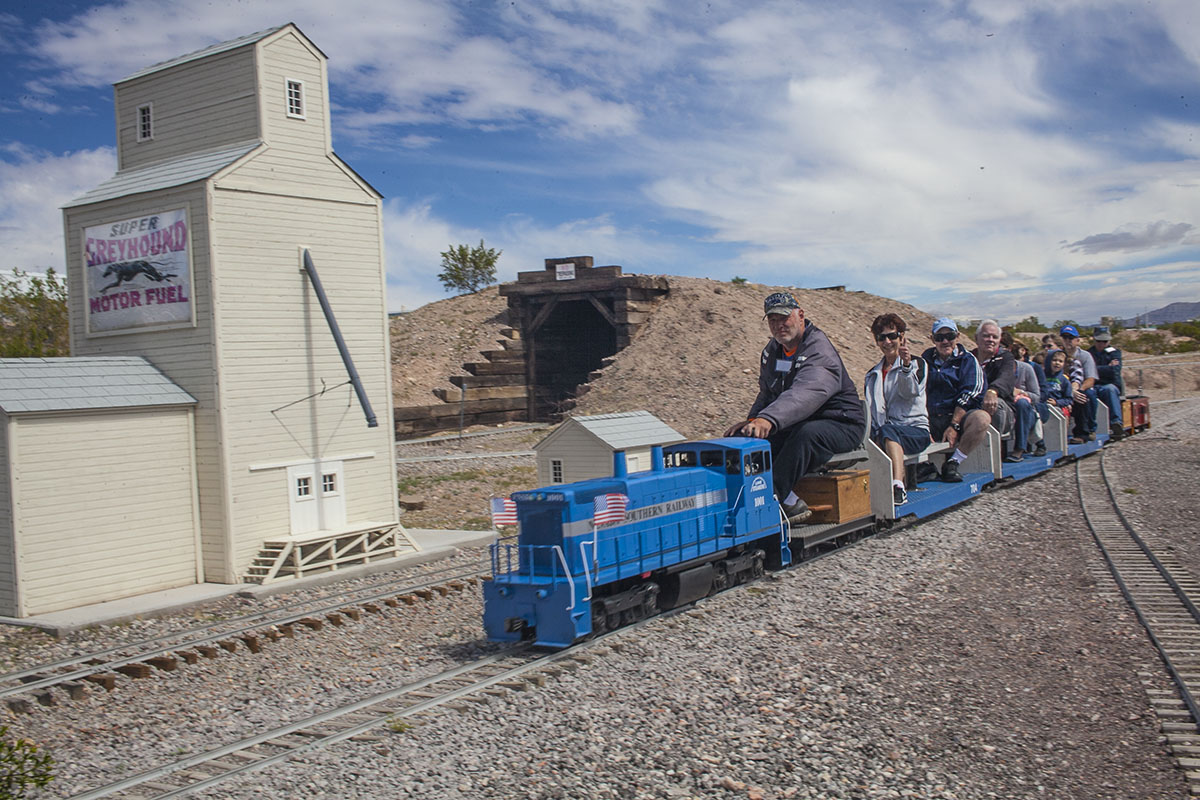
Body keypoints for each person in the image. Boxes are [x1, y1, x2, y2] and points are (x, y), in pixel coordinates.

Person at [724, 292, 866, 525]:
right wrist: (753, 421)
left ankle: (770, 499)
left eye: (784, 318)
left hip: (841, 423)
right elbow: (768, 393)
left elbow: (807, 393)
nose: (779, 325)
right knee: (747, 439)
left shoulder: (819, 350)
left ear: (800, 315)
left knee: (805, 436)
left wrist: (768, 419)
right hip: (798, 419)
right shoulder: (772, 352)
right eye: (772, 320)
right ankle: (785, 501)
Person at [863, 313, 930, 507]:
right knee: (876, 435)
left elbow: (910, 392)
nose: (887, 341)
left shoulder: (917, 364)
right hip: (886, 431)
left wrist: (906, 366)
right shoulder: (872, 374)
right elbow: (873, 409)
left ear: (902, 338)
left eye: (892, 336)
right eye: (881, 337)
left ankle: (898, 486)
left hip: (915, 429)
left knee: (888, 431)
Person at [921, 318, 991, 482]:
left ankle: (954, 462)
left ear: (957, 337)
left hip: (957, 416)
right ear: (933, 339)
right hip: (931, 416)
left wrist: (954, 425)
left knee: (981, 419)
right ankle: (922, 467)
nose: (945, 341)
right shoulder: (925, 359)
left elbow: (970, 392)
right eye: (939, 337)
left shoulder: (968, 360)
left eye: (949, 336)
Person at [973, 320, 1034, 462]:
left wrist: (993, 391)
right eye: (986, 336)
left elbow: (1006, 379)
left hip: (1003, 407)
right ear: (976, 339)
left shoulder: (1006, 358)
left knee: (996, 404)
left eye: (994, 337)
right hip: (973, 402)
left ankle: (991, 458)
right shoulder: (969, 358)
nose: (990, 340)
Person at [1060, 324, 1118, 443]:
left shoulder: (1085, 356)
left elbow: (1090, 379)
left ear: (1077, 340)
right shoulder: (1058, 356)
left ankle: (1088, 429)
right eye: (1064, 337)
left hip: (1079, 387)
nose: (1067, 341)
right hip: (1062, 388)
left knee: (1087, 395)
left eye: (1070, 338)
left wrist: (1076, 391)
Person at [1088, 326, 1125, 440]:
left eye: (1105, 341)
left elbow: (1114, 371)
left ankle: (1116, 423)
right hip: (1093, 384)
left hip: (1109, 384)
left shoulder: (1115, 353)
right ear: (1094, 340)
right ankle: (1090, 426)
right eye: (1099, 341)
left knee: (1109, 390)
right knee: (1088, 393)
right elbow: (1087, 371)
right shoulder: (1088, 353)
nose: (1102, 344)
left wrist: (1096, 369)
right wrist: (1106, 367)